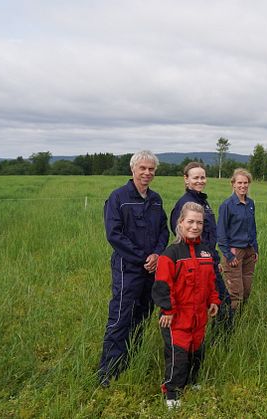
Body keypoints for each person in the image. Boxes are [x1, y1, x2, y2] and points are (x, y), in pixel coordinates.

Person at [98, 150, 169, 387]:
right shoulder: (118, 198)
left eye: (151, 169)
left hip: (151, 270)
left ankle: (130, 362)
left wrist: (158, 254)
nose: (147, 173)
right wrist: (143, 258)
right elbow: (114, 235)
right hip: (127, 269)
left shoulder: (156, 199)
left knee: (142, 317)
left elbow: (163, 230)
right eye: (143, 168)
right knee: (120, 318)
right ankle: (108, 373)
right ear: (133, 169)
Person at [153, 202, 220, 410]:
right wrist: (167, 310)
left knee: (196, 351)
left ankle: (192, 381)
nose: (195, 226)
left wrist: (214, 301)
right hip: (177, 318)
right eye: (190, 221)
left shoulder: (206, 253)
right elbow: (163, 284)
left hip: (199, 317)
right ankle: (172, 393)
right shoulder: (170, 253)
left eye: (199, 222)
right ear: (180, 223)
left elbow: (211, 281)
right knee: (178, 356)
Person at [169, 162, 232, 331]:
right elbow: (181, 235)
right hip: (195, 264)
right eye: (195, 177)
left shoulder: (203, 202)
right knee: (219, 304)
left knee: (217, 303)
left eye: (202, 177)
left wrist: (215, 258)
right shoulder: (185, 204)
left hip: (209, 260)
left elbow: (209, 235)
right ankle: (213, 343)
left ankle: (217, 343)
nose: (200, 181)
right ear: (186, 179)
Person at [217, 168, 258, 313]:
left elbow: (252, 228)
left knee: (246, 290)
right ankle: (230, 323)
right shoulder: (227, 205)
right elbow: (221, 232)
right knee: (236, 293)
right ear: (233, 184)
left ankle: (241, 319)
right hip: (234, 252)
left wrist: (255, 249)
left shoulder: (251, 203)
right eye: (239, 182)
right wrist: (228, 254)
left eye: (246, 183)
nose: (243, 186)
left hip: (249, 252)